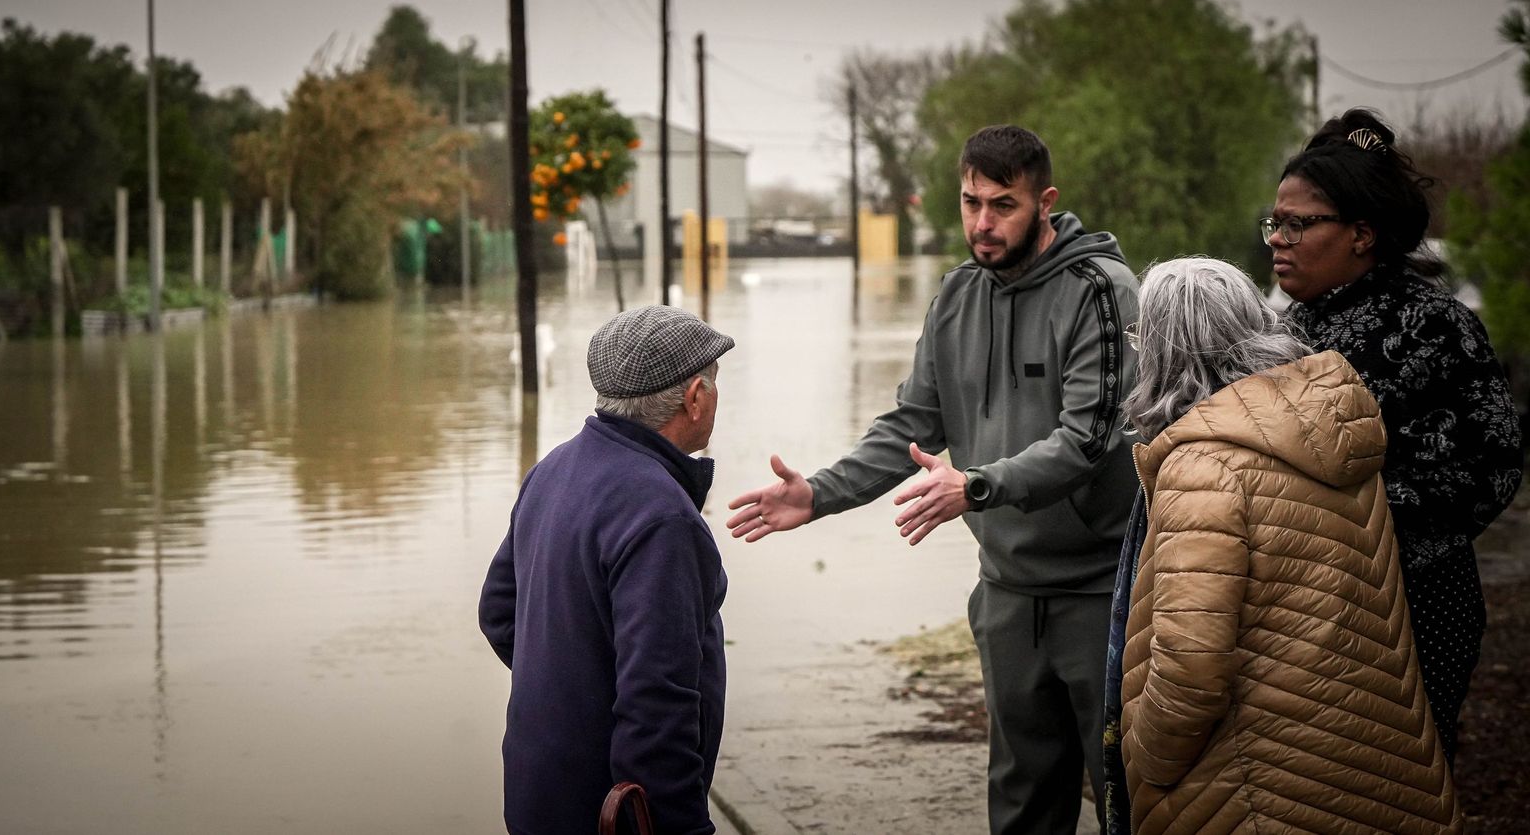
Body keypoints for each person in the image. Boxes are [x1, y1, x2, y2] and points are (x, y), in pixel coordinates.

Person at [727, 125, 1140, 834]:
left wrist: (973, 486)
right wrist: (820, 492)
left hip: (1101, 593)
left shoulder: (1101, 292)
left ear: (1046, 202)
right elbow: (910, 425)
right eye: (969, 201)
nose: (982, 222)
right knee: (1020, 802)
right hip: (1007, 596)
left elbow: (1087, 441)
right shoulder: (956, 295)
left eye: (1002, 204)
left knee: (1126, 799)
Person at [1115, 257, 1461, 834]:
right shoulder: (1325, 430)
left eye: (1140, 338)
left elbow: (1191, 670)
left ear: (1164, 352)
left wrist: (1147, 760)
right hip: (1379, 755)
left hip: (1256, 783)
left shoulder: (1205, 468)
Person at [1268, 108, 1523, 763]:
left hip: (1414, 608)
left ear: (1362, 233)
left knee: (1401, 784)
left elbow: (1494, 465)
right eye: (1275, 220)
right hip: (1303, 608)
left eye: (1299, 223)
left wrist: (1371, 512)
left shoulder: (1437, 325)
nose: (1278, 237)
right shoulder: (1285, 332)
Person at [479, 305, 733, 835]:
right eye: (713, 384)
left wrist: (568, 692)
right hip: (609, 816)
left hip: (536, 793)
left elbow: (500, 613)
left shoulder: (551, 471)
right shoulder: (661, 516)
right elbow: (656, 707)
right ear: (694, 397)